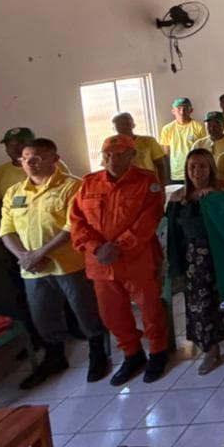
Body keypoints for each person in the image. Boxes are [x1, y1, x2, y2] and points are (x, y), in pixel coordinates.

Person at [0, 138, 109, 388]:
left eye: (37, 158)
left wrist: (41, 253)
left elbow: (73, 226)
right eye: (25, 158)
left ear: (54, 159)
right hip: (32, 270)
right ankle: (55, 356)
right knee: (43, 316)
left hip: (70, 265)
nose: (30, 163)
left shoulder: (73, 187)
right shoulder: (15, 192)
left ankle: (97, 353)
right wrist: (24, 257)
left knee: (85, 310)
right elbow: (6, 230)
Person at [69, 134, 168, 386]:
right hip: (100, 263)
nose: (112, 159)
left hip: (137, 259)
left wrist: (120, 246)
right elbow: (77, 222)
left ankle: (158, 351)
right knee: (112, 313)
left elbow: (148, 220)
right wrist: (95, 247)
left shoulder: (147, 182)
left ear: (132, 156)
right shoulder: (89, 184)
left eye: (119, 154)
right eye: (108, 155)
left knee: (149, 308)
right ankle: (132, 354)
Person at [167, 148, 224, 374]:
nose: (197, 171)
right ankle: (211, 349)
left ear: (211, 168)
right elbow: (174, 235)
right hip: (195, 261)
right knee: (202, 305)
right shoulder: (178, 198)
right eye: (192, 167)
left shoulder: (223, 190)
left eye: (202, 166)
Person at [0, 126, 49, 346]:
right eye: (9, 146)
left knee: (62, 292)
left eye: (20, 145)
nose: (13, 149)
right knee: (25, 295)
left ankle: (71, 330)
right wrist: (1, 248)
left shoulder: (50, 167)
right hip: (17, 249)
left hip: (50, 244)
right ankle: (36, 340)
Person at [159, 98, 206, 183]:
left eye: (185, 109)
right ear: (173, 111)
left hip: (195, 172)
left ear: (191, 110)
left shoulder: (199, 126)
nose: (182, 112)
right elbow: (166, 153)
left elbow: (204, 150)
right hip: (176, 173)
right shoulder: (167, 129)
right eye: (179, 109)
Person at [113, 113, 168, 183]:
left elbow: (161, 165)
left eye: (126, 124)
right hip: (125, 185)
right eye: (119, 125)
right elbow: (108, 169)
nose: (123, 127)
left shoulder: (149, 141)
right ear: (115, 128)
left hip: (148, 184)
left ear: (133, 125)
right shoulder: (112, 146)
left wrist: (162, 185)